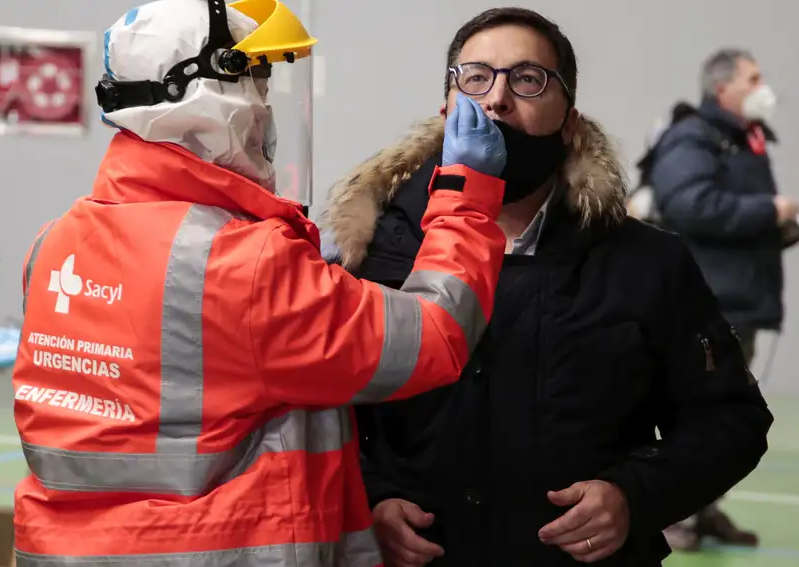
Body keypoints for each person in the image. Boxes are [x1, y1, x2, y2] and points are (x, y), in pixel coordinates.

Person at [10, 0, 512, 564]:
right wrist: (465, 200)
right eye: (260, 85)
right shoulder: (241, 266)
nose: (268, 111)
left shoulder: (53, 244)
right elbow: (434, 336)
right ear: (211, 101)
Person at [319, 8, 774, 567]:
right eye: (476, 78)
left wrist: (634, 495)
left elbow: (732, 420)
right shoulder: (371, 255)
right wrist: (370, 500)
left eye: (528, 78)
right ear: (447, 109)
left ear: (570, 121)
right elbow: (322, 411)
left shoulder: (647, 263)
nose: (497, 100)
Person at [643, 48, 799, 551]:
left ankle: (703, 510)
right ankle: (677, 517)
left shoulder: (740, 140)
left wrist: (779, 226)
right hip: (712, 301)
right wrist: (767, 210)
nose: (763, 87)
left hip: (742, 297)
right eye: (752, 78)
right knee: (701, 414)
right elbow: (689, 204)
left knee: (726, 414)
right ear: (723, 89)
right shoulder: (694, 137)